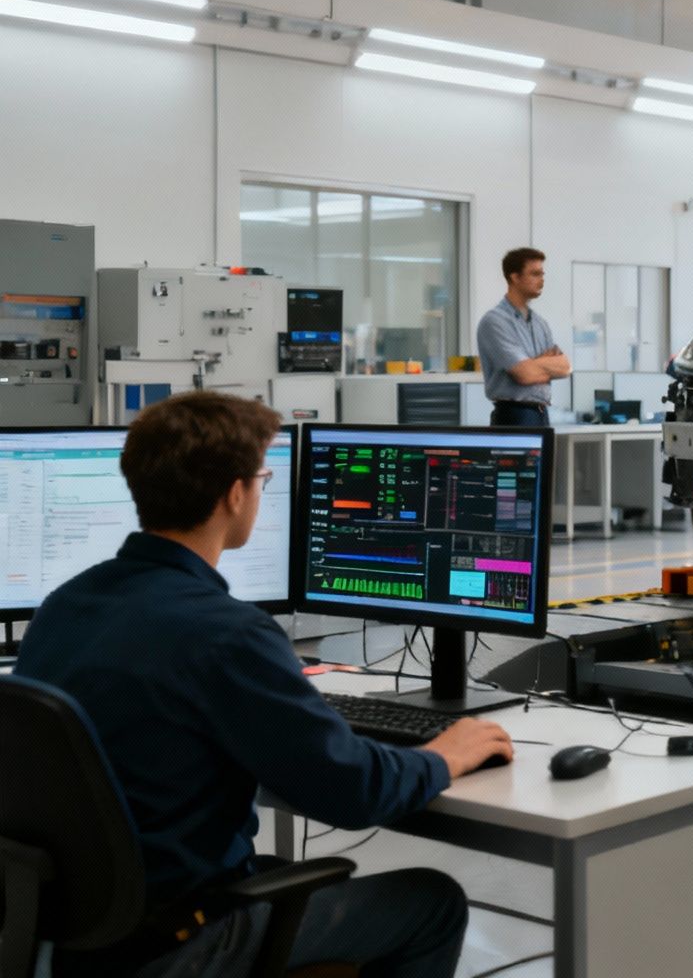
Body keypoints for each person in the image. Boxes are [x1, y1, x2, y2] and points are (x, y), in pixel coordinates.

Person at [16, 393, 514, 977]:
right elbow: (352, 793)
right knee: (433, 901)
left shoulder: (63, 605)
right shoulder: (228, 635)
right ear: (234, 493)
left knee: (272, 864)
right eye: (262, 478)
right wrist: (442, 755)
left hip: (80, 938)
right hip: (179, 945)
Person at [478, 246, 570, 428]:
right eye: (535, 274)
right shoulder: (495, 322)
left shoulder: (540, 324)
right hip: (513, 415)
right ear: (515, 277)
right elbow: (525, 374)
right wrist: (542, 366)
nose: (542, 280)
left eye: (542, 274)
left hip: (542, 414)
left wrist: (534, 365)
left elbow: (565, 367)